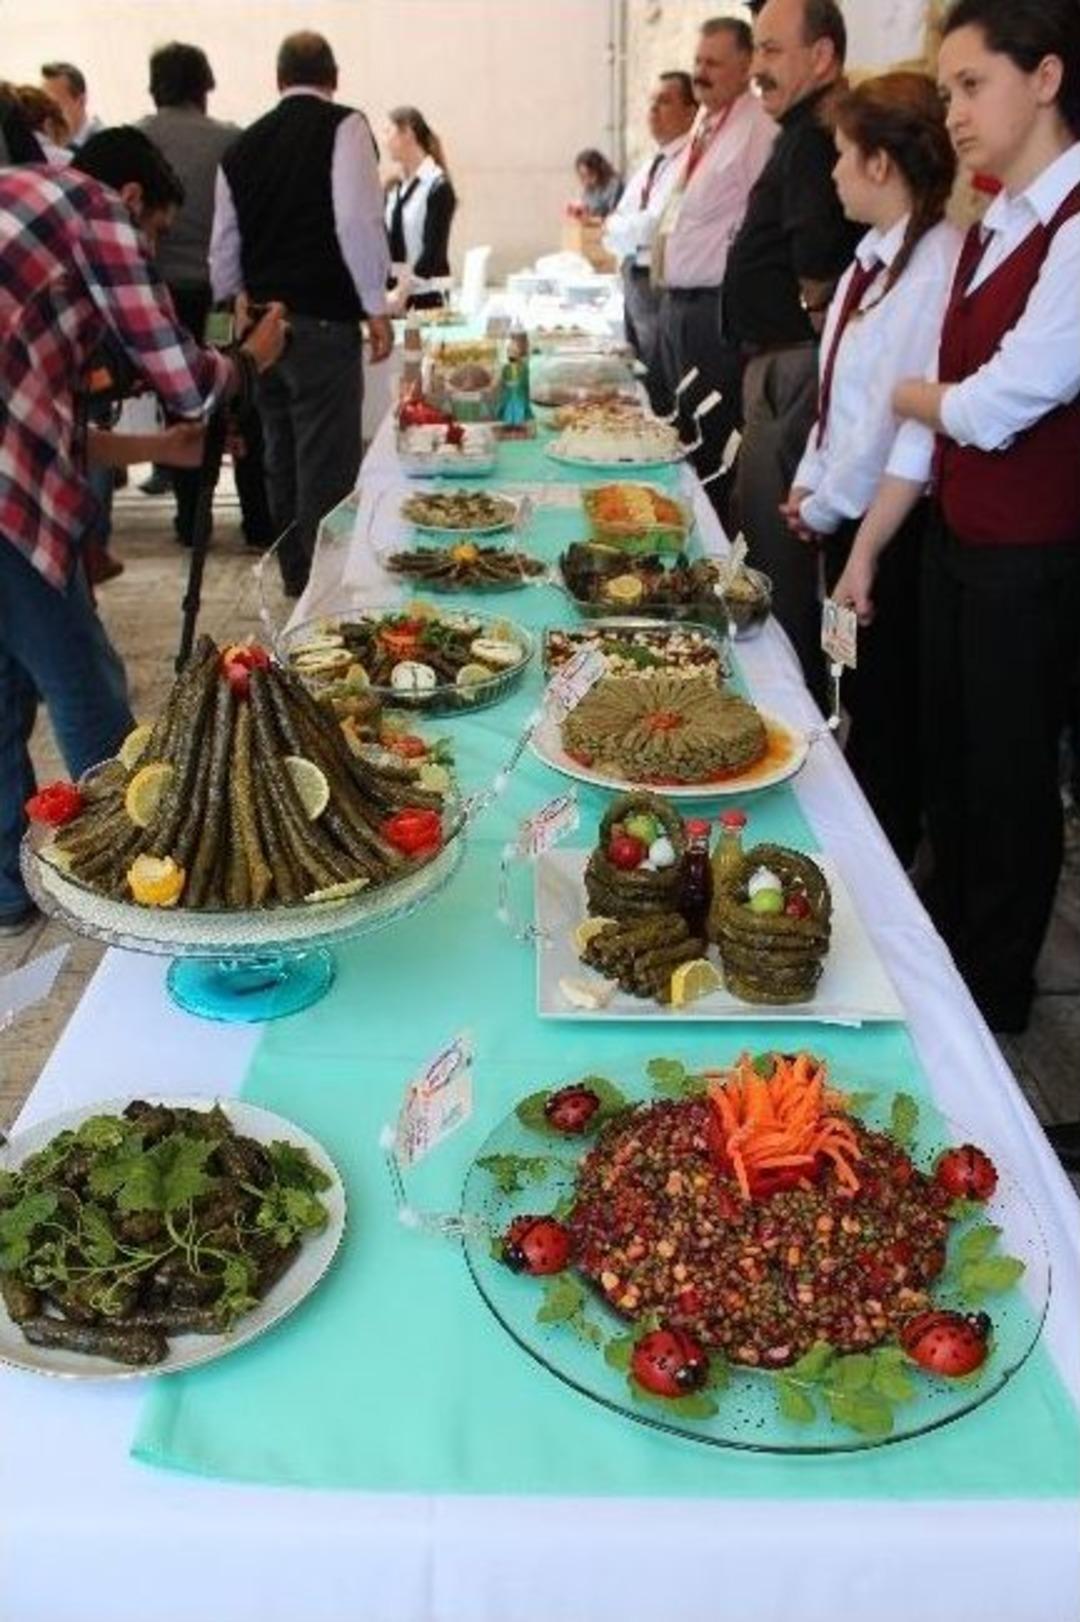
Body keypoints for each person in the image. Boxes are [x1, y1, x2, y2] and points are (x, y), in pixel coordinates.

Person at [832, 0, 1080, 1054]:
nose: (957, 114)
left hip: (1033, 555)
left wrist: (921, 395)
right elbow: (949, 413)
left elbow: (992, 405)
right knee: (955, 772)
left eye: (973, 86)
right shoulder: (996, 225)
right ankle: (953, 968)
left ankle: (993, 1002)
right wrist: (875, 538)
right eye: (946, 93)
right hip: (960, 544)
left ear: (1048, 78)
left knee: (1011, 786)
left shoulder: (1071, 228)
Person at [0, 133, 285, 935]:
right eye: (156, 232)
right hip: (7, 500)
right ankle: (147, 878)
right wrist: (250, 358)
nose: (151, 253)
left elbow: (45, 421)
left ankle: (8, 890)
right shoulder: (94, 209)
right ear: (133, 200)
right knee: (84, 683)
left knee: (4, 687)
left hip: (12, 475)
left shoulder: (19, 199)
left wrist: (161, 449)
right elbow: (189, 378)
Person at [779, 72, 960, 867]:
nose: (833, 173)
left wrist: (828, 505)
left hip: (889, 518)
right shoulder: (869, 261)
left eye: (845, 155)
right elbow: (837, 396)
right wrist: (809, 481)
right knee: (849, 680)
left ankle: (881, 859)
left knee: (885, 706)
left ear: (883, 164)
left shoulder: (935, 264)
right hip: (842, 506)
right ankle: (864, 836)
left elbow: (894, 420)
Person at [210, 31, 393, 598]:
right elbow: (357, 221)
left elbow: (223, 245)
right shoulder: (346, 126)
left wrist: (230, 315)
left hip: (264, 326)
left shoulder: (241, 147)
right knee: (326, 463)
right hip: (322, 321)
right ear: (333, 77)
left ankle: (295, 577)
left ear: (278, 80)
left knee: (280, 456)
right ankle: (325, 589)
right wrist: (374, 307)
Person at [724, 0, 862, 703]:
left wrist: (818, 329)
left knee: (776, 559)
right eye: (757, 51)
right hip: (784, 362)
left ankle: (790, 706)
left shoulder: (812, 136)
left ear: (822, 58)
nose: (757, 70)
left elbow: (813, 252)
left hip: (790, 364)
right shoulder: (800, 133)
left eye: (773, 51)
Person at [138, 42, 273, 552]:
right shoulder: (233, 141)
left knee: (180, 405)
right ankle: (258, 518)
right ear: (205, 85)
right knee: (237, 397)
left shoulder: (138, 139)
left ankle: (191, 519)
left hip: (160, 300)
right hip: (219, 301)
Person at [654, 18, 777, 483]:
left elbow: (760, 219)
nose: (701, 73)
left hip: (714, 307)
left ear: (746, 65)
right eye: (698, 62)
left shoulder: (758, 128)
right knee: (680, 430)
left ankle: (713, 541)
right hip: (677, 302)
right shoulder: (708, 123)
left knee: (711, 438)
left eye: (714, 63)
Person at [602, 72, 697, 411]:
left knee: (658, 378)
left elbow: (653, 226)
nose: (653, 110)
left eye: (665, 101)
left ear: (691, 110)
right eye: (651, 101)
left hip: (656, 283)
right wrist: (621, 229)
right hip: (633, 277)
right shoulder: (653, 163)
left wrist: (621, 230)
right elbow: (613, 222)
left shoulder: (689, 161)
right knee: (636, 372)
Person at [384, 105, 457, 312]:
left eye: (388, 131)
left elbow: (433, 252)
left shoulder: (438, 186)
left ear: (407, 132)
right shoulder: (394, 188)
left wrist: (401, 292)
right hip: (394, 296)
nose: (385, 140)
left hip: (428, 297)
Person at [40, 61, 101, 149]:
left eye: (55, 106)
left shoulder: (105, 146)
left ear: (81, 102)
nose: (47, 114)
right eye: (43, 105)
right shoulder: (48, 146)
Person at [572, 149, 623, 219]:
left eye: (590, 175)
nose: (587, 180)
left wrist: (593, 213)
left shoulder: (614, 185)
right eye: (583, 176)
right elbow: (587, 207)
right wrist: (579, 211)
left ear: (600, 170)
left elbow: (613, 212)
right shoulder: (589, 188)